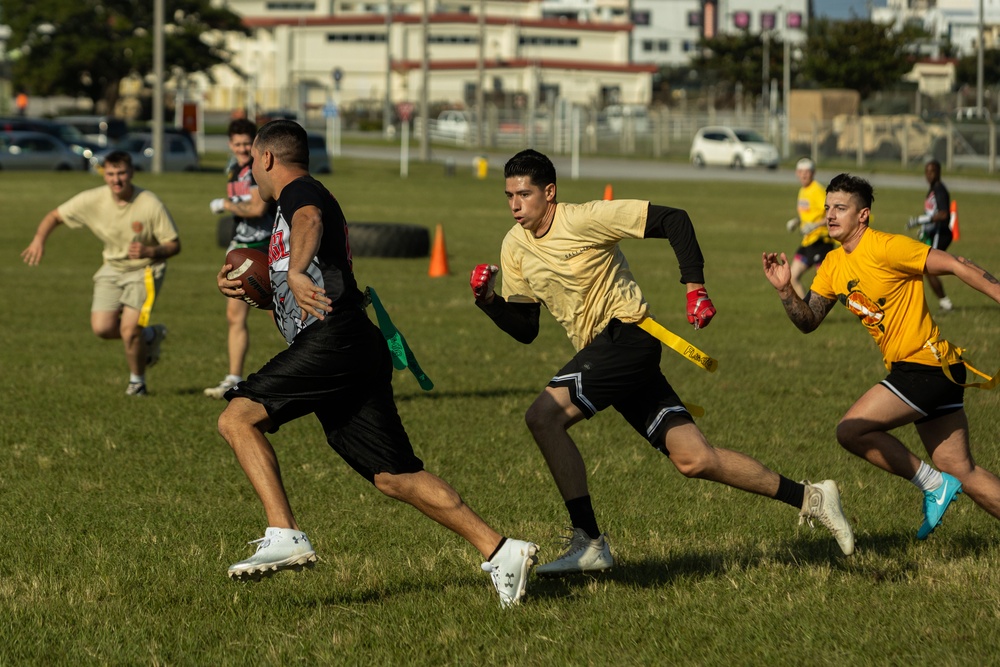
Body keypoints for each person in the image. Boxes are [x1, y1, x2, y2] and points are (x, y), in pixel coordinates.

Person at [469, 148, 854, 578]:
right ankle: (811, 498)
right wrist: (489, 303)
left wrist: (695, 288)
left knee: (543, 417)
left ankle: (589, 541)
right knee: (695, 459)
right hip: (604, 355)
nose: (515, 205)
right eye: (509, 196)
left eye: (524, 194)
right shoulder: (513, 246)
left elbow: (675, 219)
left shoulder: (584, 218)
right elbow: (526, 327)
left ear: (550, 192)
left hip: (628, 337)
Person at [214, 120, 538, 607]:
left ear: (265, 159)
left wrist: (297, 271)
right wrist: (264, 286)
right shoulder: (292, 205)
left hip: (335, 339)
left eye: (251, 162)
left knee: (236, 417)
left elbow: (309, 223)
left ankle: (285, 531)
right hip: (352, 345)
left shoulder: (298, 193)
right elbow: (294, 261)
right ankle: (501, 550)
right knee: (393, 475)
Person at [763, 173, 1000, 540]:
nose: (830, 215)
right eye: (828, 208)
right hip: (930, 372)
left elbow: (956, 263)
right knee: (962, 471)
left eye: (840, 208)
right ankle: (941, 481)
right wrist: (784, 291)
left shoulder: (886, 247)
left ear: (863, 216)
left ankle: (933, 485)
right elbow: (808, 320)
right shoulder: (832, 265)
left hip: (926, 365)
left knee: (851, 430)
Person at [21, 151, 180, 396]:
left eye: (122, 173)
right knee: (102, 328)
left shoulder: (149, 203)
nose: (117, 180)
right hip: (112, 267)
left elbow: (174, 244)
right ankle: (150, 334)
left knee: (129, 329)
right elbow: (55, 216)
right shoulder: (92, 199)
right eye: (111, 174)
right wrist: (38, 240)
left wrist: (151, 249)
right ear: (104, 175)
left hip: (145, 270)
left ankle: (137, 383)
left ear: (131, 173)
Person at [204, 118, 279, 399]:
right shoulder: (232, 168)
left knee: (279, 314)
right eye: (237, 143)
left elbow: (257, 208)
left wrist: (224, 204)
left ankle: (308, 368)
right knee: (234, 315)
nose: (242, 148)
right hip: (239, 247)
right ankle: (234, 378)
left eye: (247, 143)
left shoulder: (257, 170)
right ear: (229, 144)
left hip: (264, 245)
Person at [785, 158, 836, 298]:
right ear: (796, 173)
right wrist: (797, 221)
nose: (803, 175)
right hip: (808, 241)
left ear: (813, 173)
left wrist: (815, 225)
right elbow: (810, 214)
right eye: (800, 172)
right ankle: (806, 312)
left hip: (821, 241)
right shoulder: (803, 190)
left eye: (807, 172)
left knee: (828, 284)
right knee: (792, 277)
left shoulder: (817, 190)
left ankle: (861, 304)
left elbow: (832, 214)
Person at [906, 159, 954, 313]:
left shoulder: (940, 190)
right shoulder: (933, 189)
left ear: (939, 172)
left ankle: (945, 303)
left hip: (941, 233)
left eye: (932, 171)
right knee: (926, 268)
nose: (929, 174)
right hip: (933, 233)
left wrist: (922, 220)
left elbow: (944, 214)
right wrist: (924, 228)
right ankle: (944, 302)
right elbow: (932, 212)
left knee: (928, 268)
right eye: (927, 171)